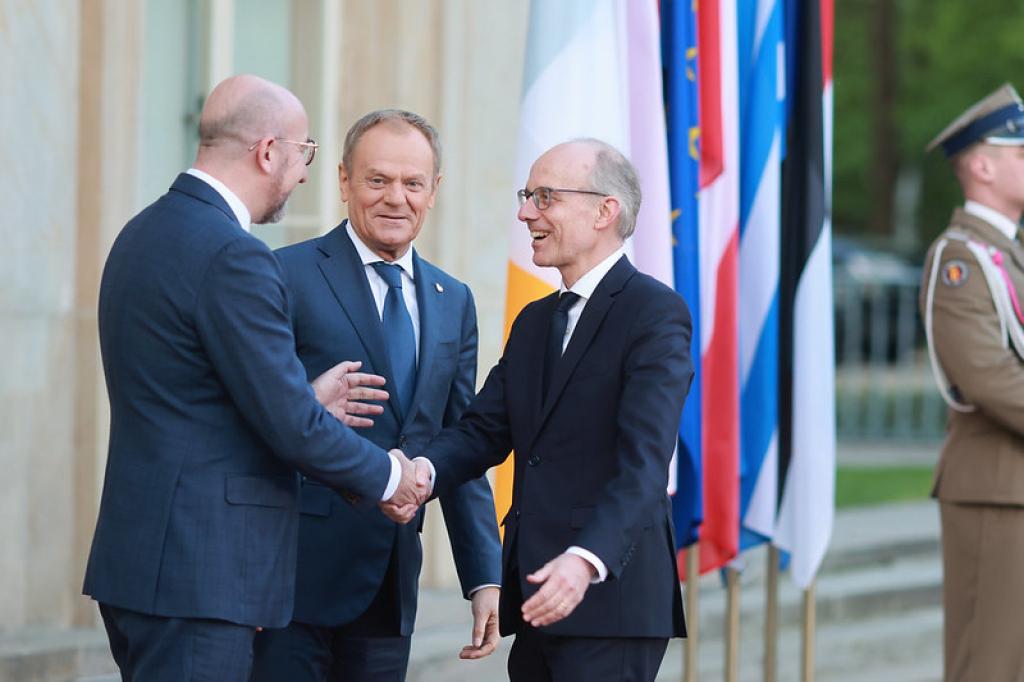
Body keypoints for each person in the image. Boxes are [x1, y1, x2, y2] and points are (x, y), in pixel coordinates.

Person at [83, 75, 427, 681]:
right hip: (202, 573)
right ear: (269, 152)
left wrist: (305, 399)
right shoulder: (234, 255)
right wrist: (391, 475)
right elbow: (290, 427)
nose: (302, 176)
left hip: (140, 565)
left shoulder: (142, 233)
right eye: (304, 154)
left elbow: (196, 396)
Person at [410, 139, 691, 681]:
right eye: (527, 196)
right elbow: (482, 431)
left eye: (545, 197)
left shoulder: (654, 313)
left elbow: (645, 463)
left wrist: (586, 560)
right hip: (538, 596)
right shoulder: (535, 321)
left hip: (610, 602)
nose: (525, 214)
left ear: (604, 211)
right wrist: (417, 473)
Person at [251, 110, 502, 681]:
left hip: (389, 588)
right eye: (378, 179)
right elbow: (257, 417)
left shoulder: (454, 299)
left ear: (433, 191)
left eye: (413, 183)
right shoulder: (282, 274)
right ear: (344, 181)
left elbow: (460, 442)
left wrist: (483, 576)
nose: (396, 198)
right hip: (290, 585)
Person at [921, 83, 1024, 681]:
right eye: (1020, 152)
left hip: (1012, 484)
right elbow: (987, 376)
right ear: (982, 167)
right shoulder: (961, 260)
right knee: (991, 664)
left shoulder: (1006, 253)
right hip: (996, 490)